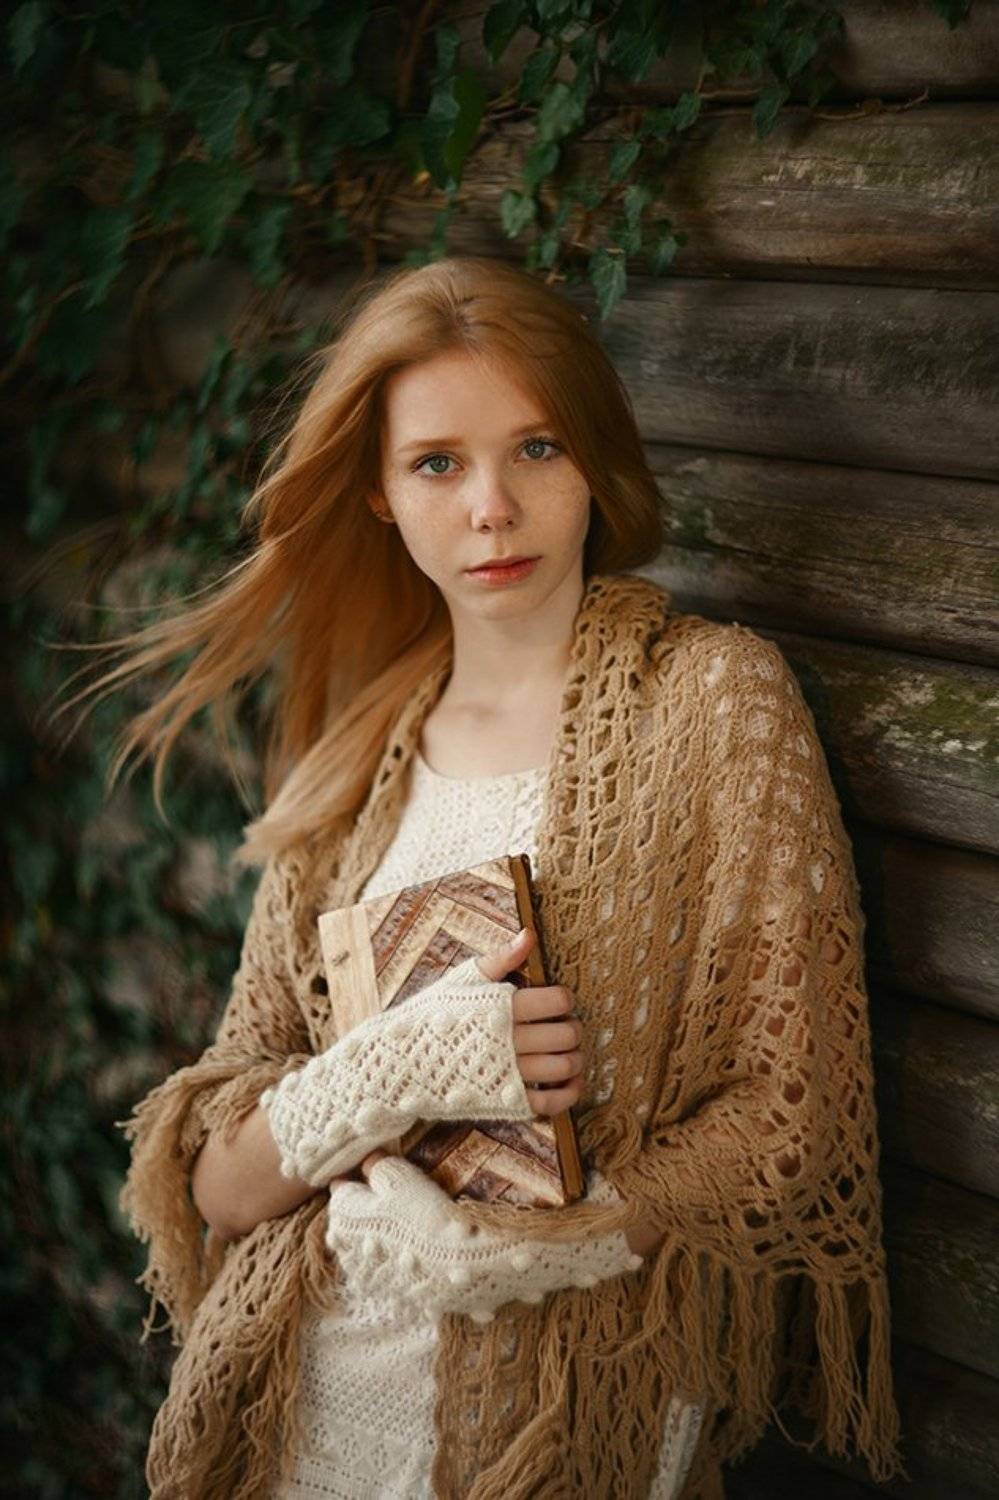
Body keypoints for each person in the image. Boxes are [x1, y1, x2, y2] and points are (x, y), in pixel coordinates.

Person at [69, 255, 904, 1498]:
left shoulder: (714, 704)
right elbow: (220, 1180)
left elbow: (793, 1113)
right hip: (301, 1415)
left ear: (597, 464)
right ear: (378, 492)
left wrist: (561, 1243)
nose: (492, 509)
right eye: (438, 463)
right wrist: (383, 1070)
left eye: (538, 449)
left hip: (572, 1420)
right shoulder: (355, 760)